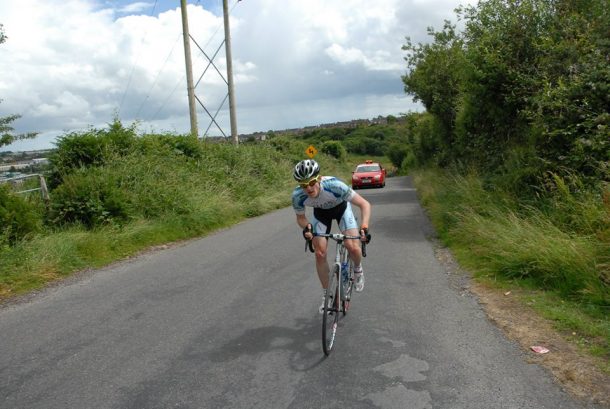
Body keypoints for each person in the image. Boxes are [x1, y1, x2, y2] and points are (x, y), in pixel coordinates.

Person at [291, 159, 372, 313]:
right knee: (320, 253)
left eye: (311, 182)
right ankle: (326, 295)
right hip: (321, 214)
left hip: (341, 209)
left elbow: (364, 204)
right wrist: (307, 227)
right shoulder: (297, 196)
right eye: (303, 185)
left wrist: (364, 227)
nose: (308, 188)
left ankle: (358, 269)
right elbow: (300, 218)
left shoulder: (335, 186)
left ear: (319, 178)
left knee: (353, 247)